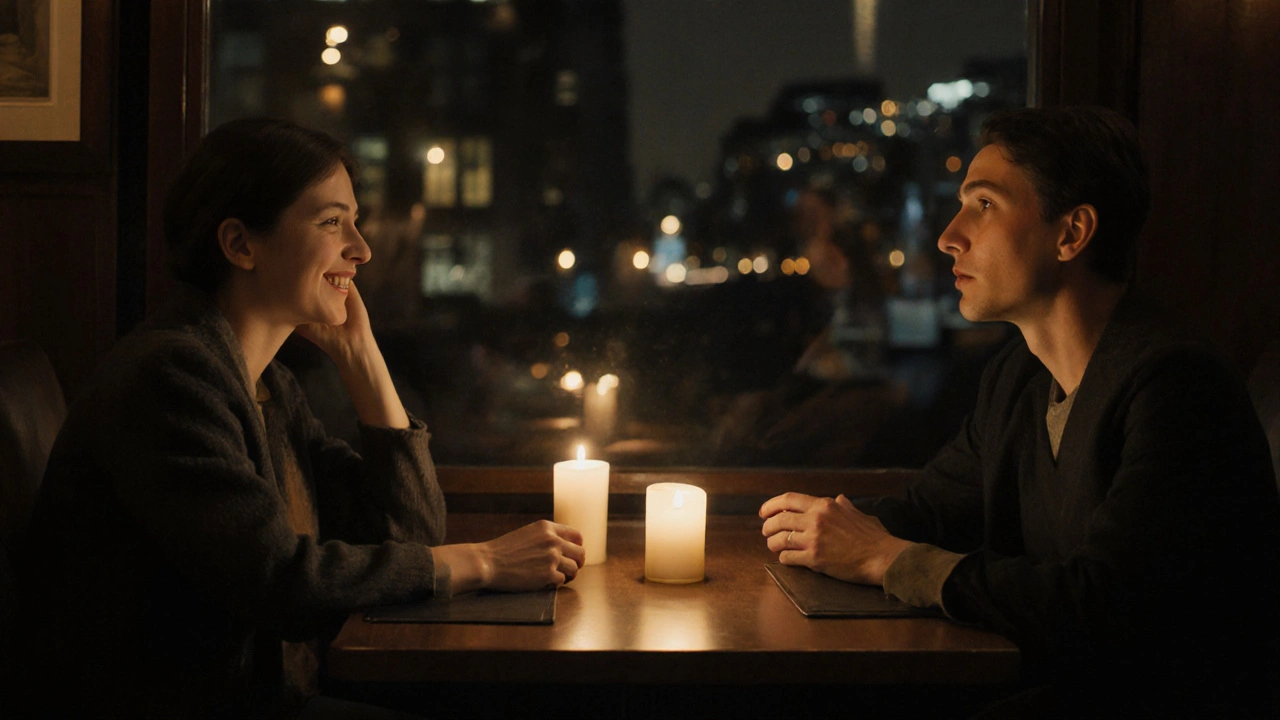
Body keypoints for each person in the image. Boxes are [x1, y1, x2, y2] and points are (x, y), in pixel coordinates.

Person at [14, 118, 585, 719]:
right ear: (240, 245)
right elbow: (280, 583)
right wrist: (487, 562)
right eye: (331, 221)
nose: (361, 249)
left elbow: (411, 529)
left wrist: (362, 359)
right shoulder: (169, 379)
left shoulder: (265, 384)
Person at [760, 106, 1280, 717]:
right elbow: (930, 512)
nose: (948, 236)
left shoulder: (1175, 387)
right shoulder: (1018, 377)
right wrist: (815, 531)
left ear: (1072, 233)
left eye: (983, 205)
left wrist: (885, 558)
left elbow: (1104, 604)